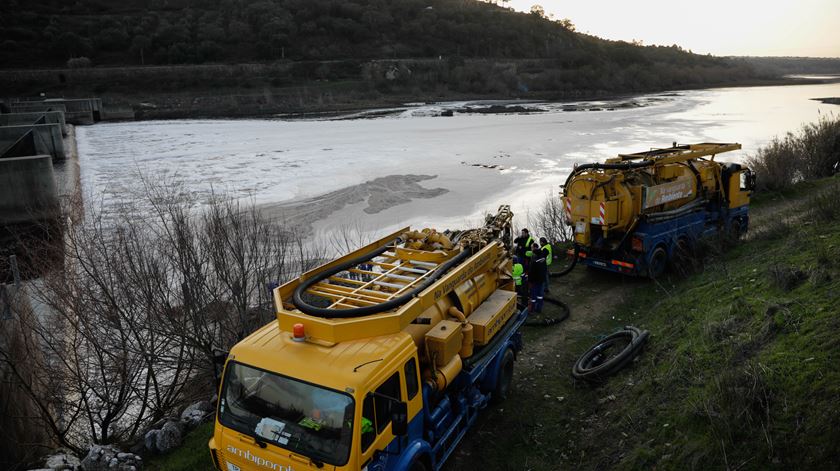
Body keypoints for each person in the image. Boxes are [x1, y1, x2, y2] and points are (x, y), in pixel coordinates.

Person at [528, 242, 548, 313]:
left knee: (533, 296)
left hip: (535, 280)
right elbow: (545, 268)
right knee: (540, 295)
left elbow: (531, 272)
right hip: (542, 279)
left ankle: (532, 309)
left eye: (531, 248)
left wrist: (529, 280)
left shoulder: (534, 260)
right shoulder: (543, 257)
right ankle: (539, 309)